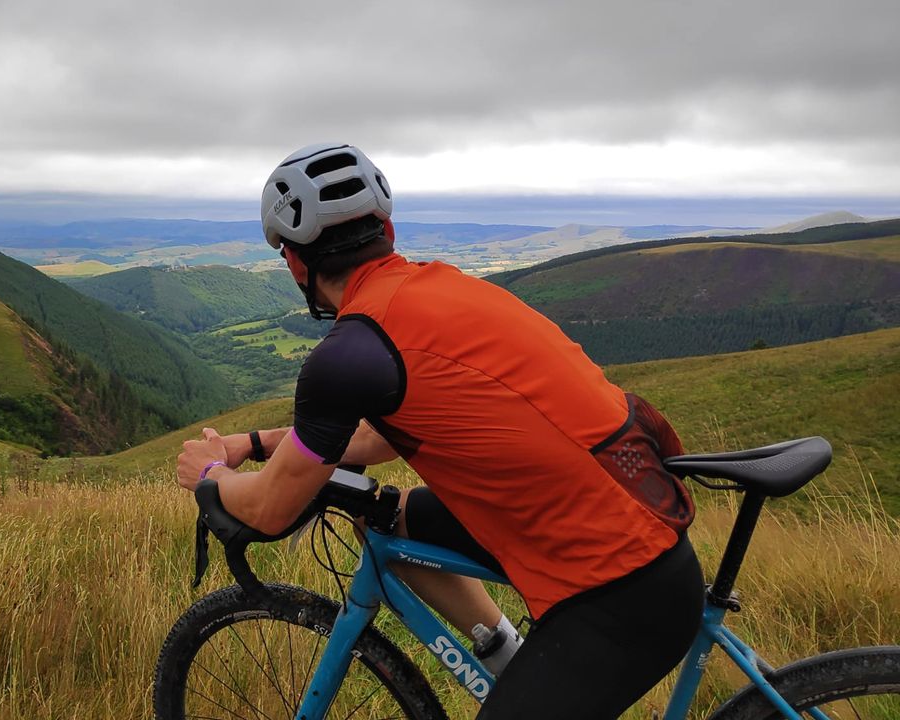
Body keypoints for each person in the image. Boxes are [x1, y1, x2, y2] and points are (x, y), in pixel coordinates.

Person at [176, 143, 704, 719]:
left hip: (619, 589)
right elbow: (378, 438)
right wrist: (250, 445)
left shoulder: (351, 348)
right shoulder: (440, 291)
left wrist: (209, 474)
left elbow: (271, 509)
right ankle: (507, 653)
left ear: (296, 264)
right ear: (389, 230)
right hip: (624, 529)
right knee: (385, 518)